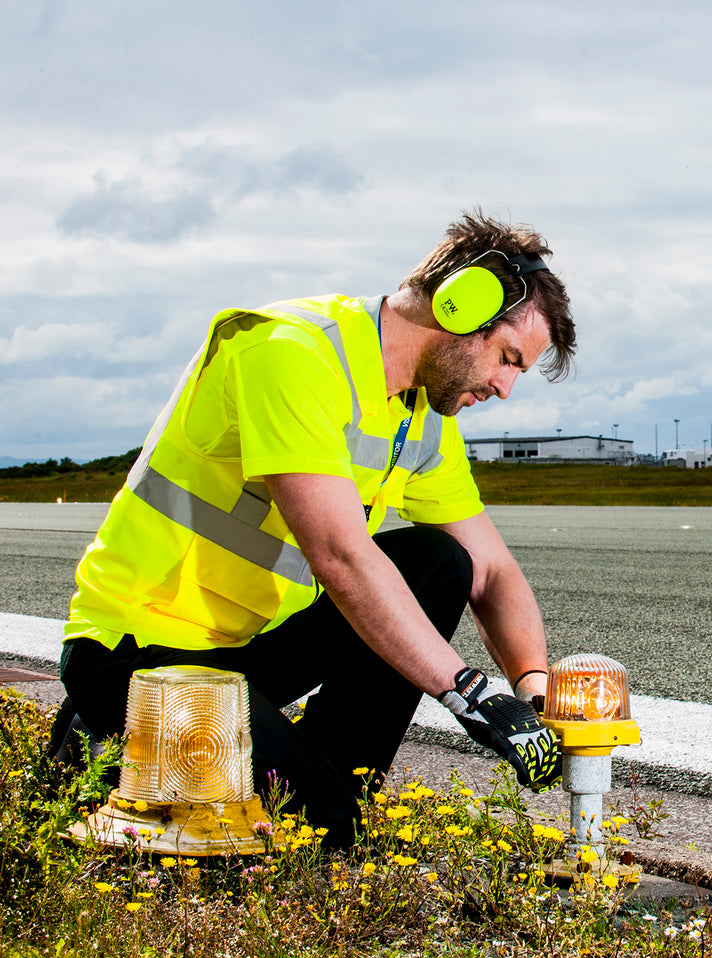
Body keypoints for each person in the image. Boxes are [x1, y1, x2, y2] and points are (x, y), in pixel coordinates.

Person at [53, 209, 576, 848]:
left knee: (441, 561)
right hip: (142, 653)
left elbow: (490, 570)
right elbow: (341, 558)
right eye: (507, 359)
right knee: (319, 833)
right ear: (461, 306)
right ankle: (95, 734)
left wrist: (534, 689)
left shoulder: (421, 417)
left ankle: (334, 782)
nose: (505, 388)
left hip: (251, 655)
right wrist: (472, 696)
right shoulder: (291, 353)